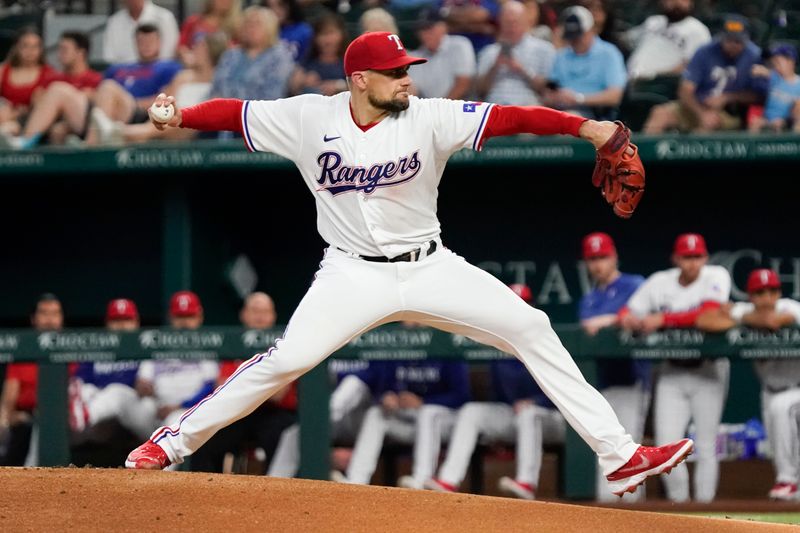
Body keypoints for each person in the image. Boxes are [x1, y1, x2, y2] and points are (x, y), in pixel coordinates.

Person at [126, 31, 694, 500]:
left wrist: (584, 127)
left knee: (531, 326)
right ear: (359, 80)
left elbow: (511, 116)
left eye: (407, 68)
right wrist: (183, 115)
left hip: (430, 266)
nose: (408, 78)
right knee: (286, 359)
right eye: (396, 71)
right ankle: (168, 445)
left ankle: (620, 455)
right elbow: (236, 111)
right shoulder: (308, 117)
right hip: (351, 273)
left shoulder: (430, 116)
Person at [425, 285, 566, 500]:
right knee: (472, 411)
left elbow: (564, 390)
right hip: (516, 416)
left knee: (529, 414)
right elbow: (500, 397)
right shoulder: (497, 342)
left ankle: (526, 482)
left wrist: (536, 401)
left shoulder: (547, 339)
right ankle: (448, 479)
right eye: (514, 305)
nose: (519, 311)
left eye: (524, 305)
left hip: (553, 417)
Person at [619, 233, 730, 502]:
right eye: (686, 257)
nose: (692, 263)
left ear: (704, 257)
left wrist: (663, 319)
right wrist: (631, 320)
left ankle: (706, 510)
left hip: (709, 370)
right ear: (676, 258)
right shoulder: (660, 281)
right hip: (672, 371)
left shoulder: (716, 275)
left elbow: (708, 314)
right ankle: (679, 508)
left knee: (705, 445)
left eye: (697, 256)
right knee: (667, 444)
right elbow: (627, 311)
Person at [696, 269, 800, 501]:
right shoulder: (744, 311)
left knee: (781, 409)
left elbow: (774, 321)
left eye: (772, 291)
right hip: (770, 390)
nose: (767, 298)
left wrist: (740, 316)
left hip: (797, 388)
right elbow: (706, 320)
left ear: (779, 293)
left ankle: (787, 482)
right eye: (760, 292)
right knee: (779, 446)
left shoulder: (790, 307)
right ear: (750, 296)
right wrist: (738, 315)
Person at [191, 292, 298, 474]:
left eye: (265, 311)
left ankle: (277, 496)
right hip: (239, 412)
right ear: (244, 315)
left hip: (275, 414)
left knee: (279, 436)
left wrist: (241, 385)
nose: (260, 317)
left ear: (273, 316)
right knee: (205, 438)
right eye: (255, 310)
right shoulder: (235, 341)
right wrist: (262, 385)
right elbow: (221, 385)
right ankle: (207, 494)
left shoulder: (284, 343)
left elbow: (278, 393)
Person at [577, 232, 649, 502]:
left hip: (632, 377)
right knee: (604, 447)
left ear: (614, 256)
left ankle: (633, 513)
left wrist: (609, 320)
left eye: (603, 257)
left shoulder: (635, 285)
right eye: (593, 259)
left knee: (629, 446)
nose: (598, 264)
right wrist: (613, 320)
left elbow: (636, 316)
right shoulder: (589, 299)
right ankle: (607, 513)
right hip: (601, 381)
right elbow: (587, 326)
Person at [330, 358, 470, 486]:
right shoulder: (399, 346)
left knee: (428, 413)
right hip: (408, 419)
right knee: (376, 414)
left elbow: (462, 396)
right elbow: (382, 385)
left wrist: (423, 402)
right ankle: (356, 480)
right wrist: (387, 397)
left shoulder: (443, 344)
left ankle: (422, 480)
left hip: (445, 421)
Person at [643, 14, 765, 134]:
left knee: (709, 124)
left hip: (729, 112)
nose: (733, 45)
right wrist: (701, 113)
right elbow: (685, 90)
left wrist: (727, 98)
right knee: (659, 113)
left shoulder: (754, 56)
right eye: (729, 40)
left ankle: (689, 153)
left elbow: (759, 95)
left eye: (738, 41)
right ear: (721, 37)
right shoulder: (705, 52)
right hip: (696, 106)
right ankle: (642, 154)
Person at [134, 291, 219, 447]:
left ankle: (158, 469)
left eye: (189, 317)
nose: (184, 323)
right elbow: (142, 382)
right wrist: (144, 388)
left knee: (174, 422)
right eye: (180, 317)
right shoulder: (157, 344)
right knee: (124, 396)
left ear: (199, 317)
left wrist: (179, 407)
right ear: (171, 317)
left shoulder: (207, 346)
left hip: (187, 412)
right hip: (156, 411)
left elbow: (210, 388)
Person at [0, 31, 102, 149]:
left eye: (64, 50)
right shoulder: (53, 78)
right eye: (59, 49)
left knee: (58, 90)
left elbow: (100, 109)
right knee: (55, 130)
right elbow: (38, 105)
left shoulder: (95, 78)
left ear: (81, 52)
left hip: (85, 123)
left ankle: (24, 141)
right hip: (51, 123)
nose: (59, 54)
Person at [68, 299, 153, 440]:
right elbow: (80, 381)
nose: (122, 326)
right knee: (84, 390)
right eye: (116, 320)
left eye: (127, 320)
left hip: (138, 410)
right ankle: (33, 462)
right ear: (107, 323)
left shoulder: (146, 348)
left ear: (136, 322)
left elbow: (143, 385)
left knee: (117, 392)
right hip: (103, 417)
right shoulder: (97, 350)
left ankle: (86, 415)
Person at [0, 293, 63, 466]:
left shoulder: (72, 349)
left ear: (61, 318)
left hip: (62, 417)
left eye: (55, 313)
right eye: (44, 313)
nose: (49, 319)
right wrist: (8, 419)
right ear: (33, 319)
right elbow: (7, 404)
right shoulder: (23, 352)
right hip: (27, 417)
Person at [544, 5, 627, 120]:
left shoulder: (609, 53)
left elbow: (614, 96)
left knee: (570, 119)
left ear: (591, 30)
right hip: (560, 111)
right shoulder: (561, 55)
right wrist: (555, 97)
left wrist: (578, 98)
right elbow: (549, 90)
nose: (575, 41)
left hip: (596, 115)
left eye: (579, 36)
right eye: (572, 37)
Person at [476, 1, 554, 105]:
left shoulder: (544, 49)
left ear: (526, 22)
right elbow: (480, 91)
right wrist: (494, 67)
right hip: (496, 110)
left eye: (515, 22)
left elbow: (548, 90)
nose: (511, 27)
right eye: (507, 22)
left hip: (527, 109)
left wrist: (521, 69)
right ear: (501, 23)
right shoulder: (489, 52)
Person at [209, 6, 295, 101]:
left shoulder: (279, 58)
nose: (250, 28)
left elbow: (273, 95)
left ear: (270, 28)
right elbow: (216, 88)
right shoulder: (231, 55)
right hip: (223, 111)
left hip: (256, 112)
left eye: (257, 24)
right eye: (247, 23)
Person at [625, 0, 711, 81]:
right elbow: (628, 39)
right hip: (630, 76)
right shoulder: (654, 21)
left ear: (690, 3)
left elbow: (692, 65)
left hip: (658, 84)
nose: (676, 4)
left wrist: (658, 77)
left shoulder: (698, 29)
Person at [0, 28, 60, 137]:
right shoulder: (3, 70)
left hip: (30, 120)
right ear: (17, 48)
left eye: (34, 47)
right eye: (25, 46)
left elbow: (45, 106)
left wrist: (20, 113)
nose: (30, 51)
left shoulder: (49, 74)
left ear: (41, 50)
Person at [409, 8, 476, 100]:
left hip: (460, 108)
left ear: (443, 27)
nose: (425, 33)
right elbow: (413, 91)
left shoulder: (459, 45)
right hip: (429, 110)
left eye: (429, 28)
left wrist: (441, 110)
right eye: (421, 29)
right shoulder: (415, 56)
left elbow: (463, 84)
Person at [289, 13, 348, 97]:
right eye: (323, 34)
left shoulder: (349, 60)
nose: (327, 40)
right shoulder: (308, 61)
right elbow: (293, 88)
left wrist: (338, 85)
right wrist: (303, 80)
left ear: (342, 35)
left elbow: (360, 85)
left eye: (331, 33)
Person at [103, 0, 179, 63]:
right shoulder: (114, 21)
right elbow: (110, 58)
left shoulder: (165, 17)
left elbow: (169, 55)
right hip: (123, 75)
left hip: (159, 75)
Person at [748, 44, 800, 133]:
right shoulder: (775, 77)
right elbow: (759, 70)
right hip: (766, 120)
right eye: (774, 63)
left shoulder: (798, 83)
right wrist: (758, 70)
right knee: (755, 123)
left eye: (778, 62)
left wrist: (787, 121)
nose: (776, 66)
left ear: (791, 62)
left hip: (785, 121)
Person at [177, 0, 241, 66]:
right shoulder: (194, 21)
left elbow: (240, 51)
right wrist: (187, 56)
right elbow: (181, 46)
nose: (224, 1)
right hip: (192, 65)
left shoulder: (237, 26)